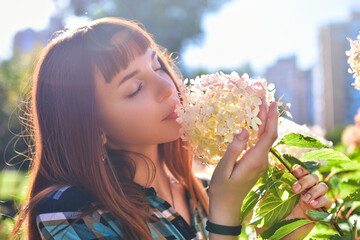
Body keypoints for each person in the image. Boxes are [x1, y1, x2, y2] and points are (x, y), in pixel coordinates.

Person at [11, 17, 331, 240]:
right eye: (134, 88)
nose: (166, 87)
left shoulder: (202, 192)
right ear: (92, 126)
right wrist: (225, 212)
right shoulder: (71, 212)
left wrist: (282, 232)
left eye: (157, 65)